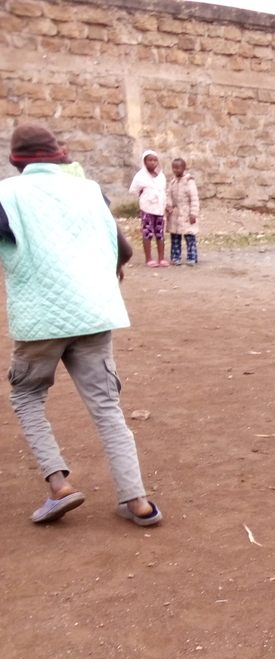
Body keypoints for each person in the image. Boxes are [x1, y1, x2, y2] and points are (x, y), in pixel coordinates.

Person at [0, 123, 162, 527]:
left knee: (27, 396)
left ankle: (59, 485)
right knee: (106, 406)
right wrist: (111, 268)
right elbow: (124, 249)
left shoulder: (7, 194)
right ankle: (137, 501)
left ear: (16, 160)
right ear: (58, 155)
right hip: (94, 312)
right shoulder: (90, 190)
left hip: (40, 320)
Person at [128, 148, 167, 267]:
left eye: (155, 160)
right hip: (147, 209)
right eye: (150, 160)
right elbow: (133, 190)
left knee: (160, 233)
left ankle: (161, 258)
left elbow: (163, 190)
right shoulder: (140, 176)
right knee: (147, 233)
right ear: (144, 162)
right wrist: (143, 194)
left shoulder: (160, 176)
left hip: (159, 209)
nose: (153, 162)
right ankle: (148, 258)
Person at [166, 157, 200, 266]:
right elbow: (169, 195)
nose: (175, 170)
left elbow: (194, 198)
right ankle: (175, 257)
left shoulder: (189, 182)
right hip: (175, 214)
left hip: (187, 213)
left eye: (178, 168)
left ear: (184, 168)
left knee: (189, 235)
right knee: (175, 236)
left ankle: (192, 257)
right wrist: (169, 206)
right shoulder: (172, 182)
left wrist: (193, 213)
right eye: (174, 168)